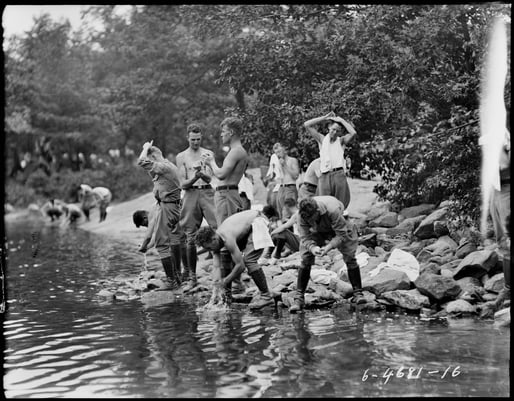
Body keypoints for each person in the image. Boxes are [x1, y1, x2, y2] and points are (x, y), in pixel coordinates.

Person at [289, 195, 365, 313]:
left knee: (349, 256)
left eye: (311, 218)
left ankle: (358, 293)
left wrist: (328, 247)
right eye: (306, 219)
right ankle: (299, 298)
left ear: (317, 211)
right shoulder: (302, 215)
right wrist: (312, 248)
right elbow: (304, 236)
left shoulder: (333, 210)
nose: (308, 221)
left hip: (339, 226)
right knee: (305, 259)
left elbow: (341, 235)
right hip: (316, 231)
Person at [201, 116, 249, 298]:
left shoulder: (237, 151)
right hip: (224, 194)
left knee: (227, 238)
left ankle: (233, 285)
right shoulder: (234, 151)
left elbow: (220, 174)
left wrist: (211, 161)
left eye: (223, 131)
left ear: (232, 132)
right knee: (223, 238)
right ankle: (230, 283)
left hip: (227, 195)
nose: (221, 134)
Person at [194, 209, 277, 310]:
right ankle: (226, 297)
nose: (209, 251)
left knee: (249, 260)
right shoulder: (216, 240)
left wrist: (225, 280)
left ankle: (266, 296)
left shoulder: (227, 238)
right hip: (247, 227)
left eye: (209, 248)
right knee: (226, 257)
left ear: (214, 239)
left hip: (258, 221)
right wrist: (216, 290)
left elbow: (240, 266)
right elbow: (216, 267)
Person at [176, 122, 218, 291]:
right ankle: (192, 275)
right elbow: (182, 184)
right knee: (190, 235)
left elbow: (211, 177)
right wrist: (194, 177)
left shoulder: (208, 153)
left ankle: (221, 269)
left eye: (198, 139)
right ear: (188, 138)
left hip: (207, 192)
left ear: (202, 138)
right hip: (191, 193)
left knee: (218, 228)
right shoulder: (181, 157)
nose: (196, 142)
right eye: (193, 139)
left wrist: (203, 174)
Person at [137, 141, 183, 290]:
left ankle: (171, 280)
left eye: (151, 158)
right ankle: (176, 276)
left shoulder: (164, 167)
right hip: (171, 205)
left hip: (169, 207)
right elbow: (145, 165)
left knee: (162, 244)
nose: (149, 163)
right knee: (173, 240)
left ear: (154, 156)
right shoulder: (164, 167)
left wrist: (144, 148)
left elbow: (141, 161)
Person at [481, 128, 510, 317]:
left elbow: (502, 165)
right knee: (503, 242)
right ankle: (508, 289)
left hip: (508, 189)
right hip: (496, 190)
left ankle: (508, 290)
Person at [304, 112, 357, 208]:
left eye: (337, 131)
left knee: (339, 204)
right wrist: (324, 118)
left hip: (338, 174)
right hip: (325, 175)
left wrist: (341, 120)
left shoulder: (341, 141)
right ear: (329, 127)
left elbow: (353, 133)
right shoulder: (321, 139)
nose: (334, 132)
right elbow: (307, 125)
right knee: (323, 203)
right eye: (333, 129)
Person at [262, 200, 300, 265]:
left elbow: (283, 227)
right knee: (279, 232)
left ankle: (274, 256)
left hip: (303, 243)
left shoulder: (297, 214)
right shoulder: (296, 214)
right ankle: (268, 255)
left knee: (282, 232)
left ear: (287, 208)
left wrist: (272, 233)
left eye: (283, 209)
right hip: (300, 241)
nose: (283, 211)